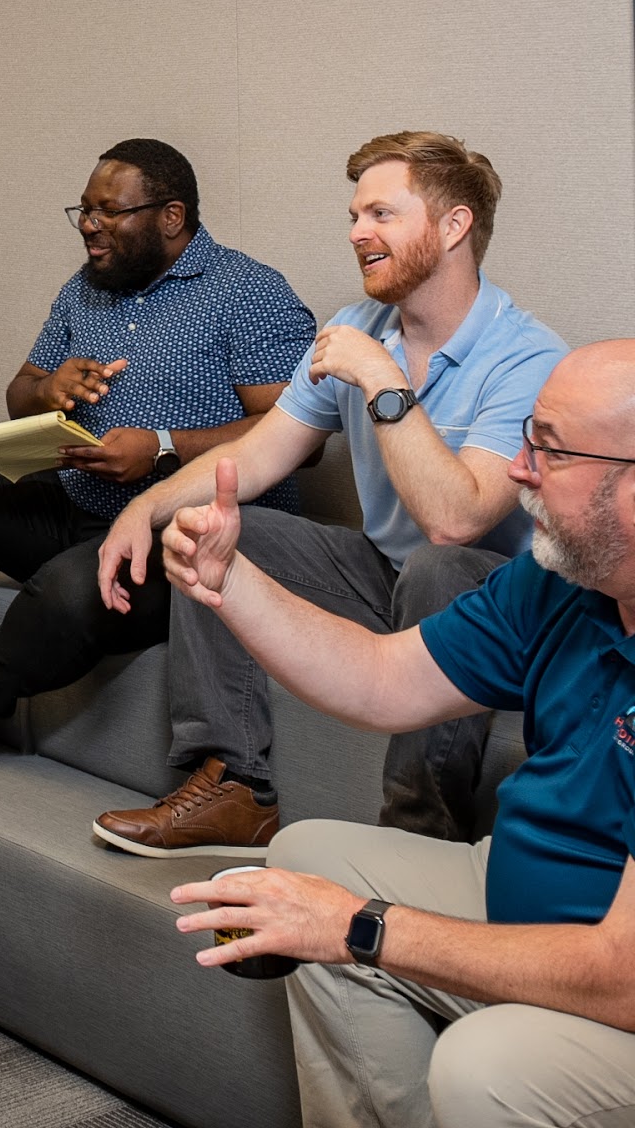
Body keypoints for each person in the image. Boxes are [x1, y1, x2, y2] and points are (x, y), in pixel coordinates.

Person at [163, 342, 635, 1128]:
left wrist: (362, 929)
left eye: (549, 449)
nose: (519, 469)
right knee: (307, 856)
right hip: (534, 898)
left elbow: (624, 974)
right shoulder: (562, 580)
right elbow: (382, 678)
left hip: (616, 967)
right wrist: (229, 582)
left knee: (482, 1066)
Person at [94, 132, 564, 857]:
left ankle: (418, 834)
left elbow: (457, 519)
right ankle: (234, 789)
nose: (356, 233)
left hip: (501, 602)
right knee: (216, 526)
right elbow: (257, 454)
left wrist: (382, 379)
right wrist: (143, 509)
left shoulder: (527, 358)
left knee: (438, 567)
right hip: (385, 575)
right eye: (354, 215)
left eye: (381, 214)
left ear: (453, 226)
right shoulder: (355, 327)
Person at [0, 138, 315, 766]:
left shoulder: (248, 292)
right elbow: (20, 393)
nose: (89, 225)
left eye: (110, 211)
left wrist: (163, 448)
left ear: (171, 217)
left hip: (179, 539)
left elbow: (298, 437)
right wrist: (48, 391)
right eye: (85, 210)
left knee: (70, 586)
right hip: (80, 507)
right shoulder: (84, 289)